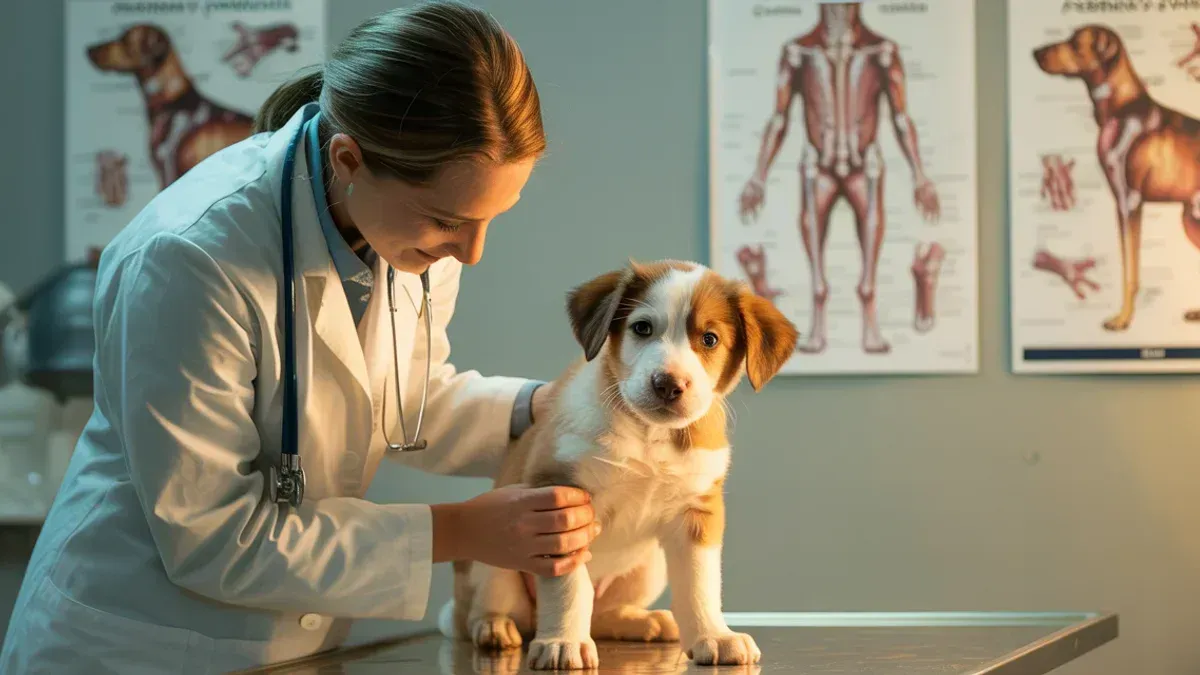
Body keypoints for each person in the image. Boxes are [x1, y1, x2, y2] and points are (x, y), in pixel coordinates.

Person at [0, 3, 599, 673]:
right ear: (349, 158)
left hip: (293, 649)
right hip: (138, 643)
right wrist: (460, 529)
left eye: (492, 219)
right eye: (448, 220)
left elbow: (401, 398)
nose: (473, 250)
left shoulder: (405, 239)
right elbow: (212, 535)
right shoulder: (191, 257)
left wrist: (548, 408)